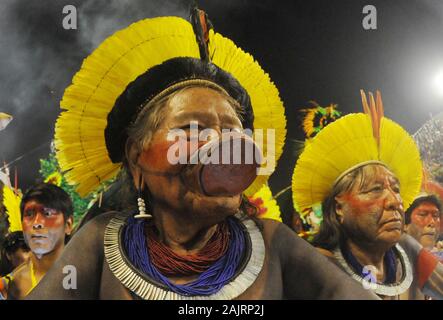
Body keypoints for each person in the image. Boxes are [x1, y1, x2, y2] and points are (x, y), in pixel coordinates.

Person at [27, 9, 377, 300]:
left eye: (232, 132)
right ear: (136, 160)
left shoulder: (273, 243)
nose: (221, 146)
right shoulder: (99, 242)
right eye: (192, 130)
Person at [292, 90, 443, 299]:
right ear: (339, 208)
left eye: (396, 189)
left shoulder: (407, 251)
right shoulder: (314, 270)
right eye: (375, 189)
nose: (394, 202)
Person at [6, 183, 73, 299]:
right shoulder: (11, 286)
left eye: (47, 213)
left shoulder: (90, 276)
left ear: (68, 225)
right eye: (29, 214)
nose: (37, 223)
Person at [405, 194, 442, 260]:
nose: (431, 222)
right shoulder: (393, 256)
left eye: (435, 215)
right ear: (405, 225)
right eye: (422, 214)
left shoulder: (440, 256)